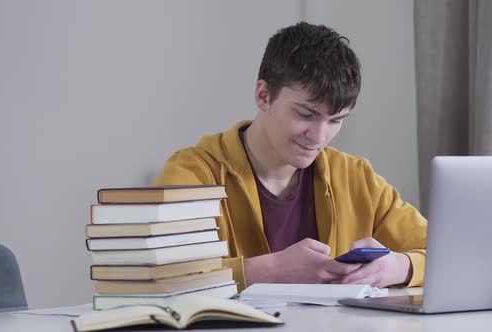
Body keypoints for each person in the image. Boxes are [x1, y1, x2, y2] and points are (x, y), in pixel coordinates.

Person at [154, 22, 427, 290]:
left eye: (336, 120)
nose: (320, 137)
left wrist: (399, 266)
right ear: (263, 95)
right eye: (306, 114)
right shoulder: (192, 173)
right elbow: (157, 275)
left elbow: (450, 253)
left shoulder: (356, 178)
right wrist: (268, 271)